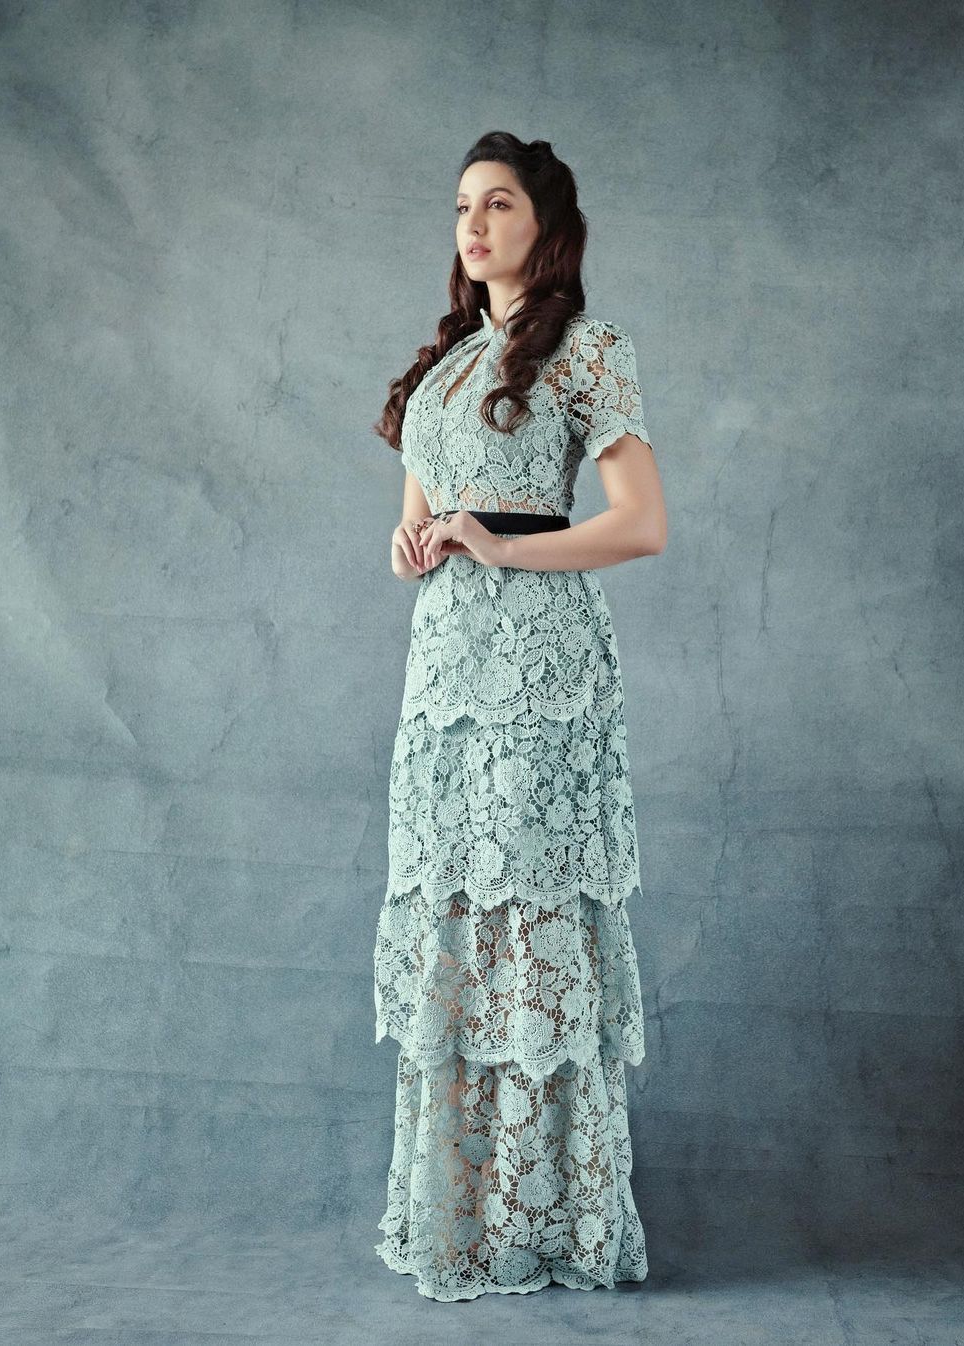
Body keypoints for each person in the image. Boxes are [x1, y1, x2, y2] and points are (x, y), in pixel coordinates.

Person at [369, 131, 668, 1302]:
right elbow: (417, 522)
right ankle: (469, 1214)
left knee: (532, 914)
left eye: (498, 203)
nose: (474, 224)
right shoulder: (445, 366)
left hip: (539, 667)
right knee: (458, 917)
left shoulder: (588, 350)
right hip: (444, 676)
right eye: (462, 206)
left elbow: (641, 523)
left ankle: (550, 1218)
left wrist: (500, 545)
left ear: (546, 224)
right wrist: (416, 545)